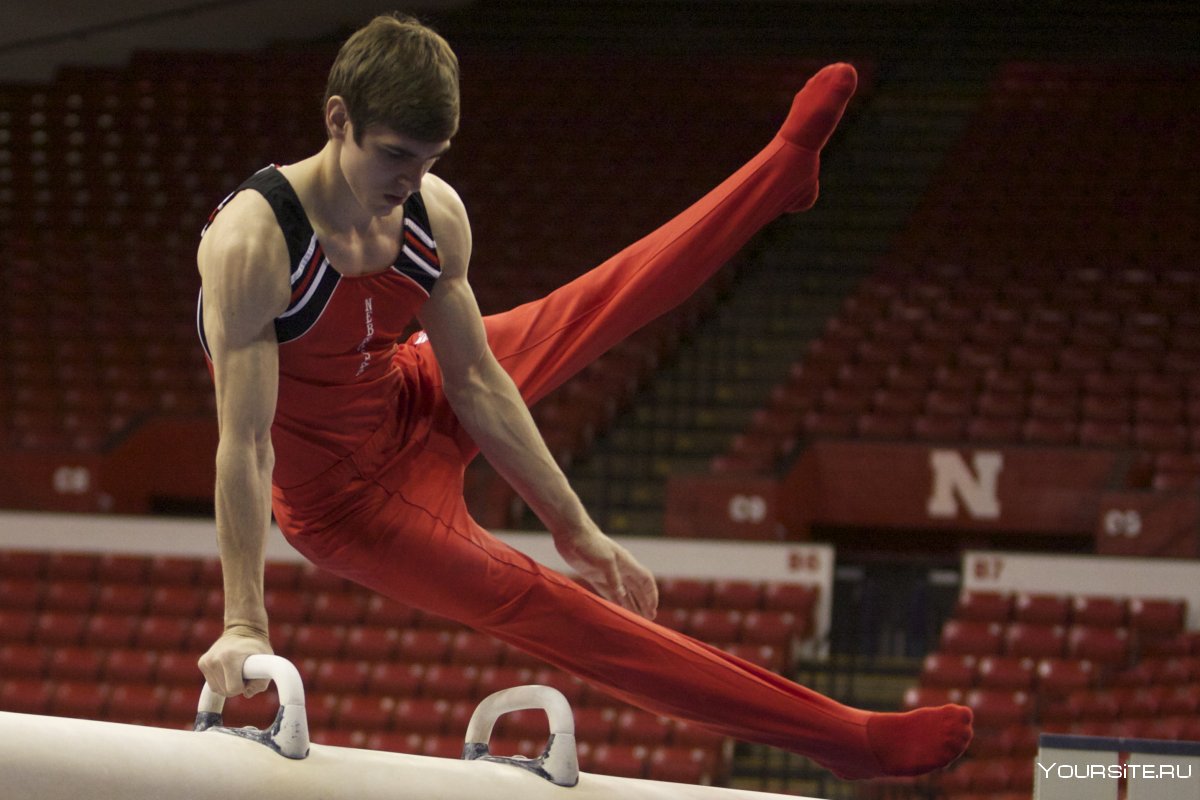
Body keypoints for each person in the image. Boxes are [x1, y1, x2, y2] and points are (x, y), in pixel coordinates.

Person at [196, 12, 972, 780]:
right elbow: (249, 443)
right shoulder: (256, 244)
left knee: (598, 300)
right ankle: (845, 739)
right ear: (338, 121)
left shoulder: (432, 213)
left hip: (410, 392)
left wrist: (577, 530)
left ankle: (775, 175)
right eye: (395, 156)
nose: (409, 181)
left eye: (430, 160)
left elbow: (475, 383)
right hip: (349, 506)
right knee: (560, 612)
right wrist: (243, 624)